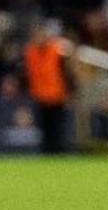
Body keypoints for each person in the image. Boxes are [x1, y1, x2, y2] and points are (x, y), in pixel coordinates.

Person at [23, 23, 70, 154]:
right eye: (35, 36)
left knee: (57, 128)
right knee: (44, 129)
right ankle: (47, 152)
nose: (39, 39)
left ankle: (59, 152)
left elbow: (66, 70)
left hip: (56, 96)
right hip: (39, 96)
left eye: (41, 36)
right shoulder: (29, 52)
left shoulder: (56, 50)